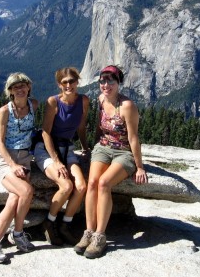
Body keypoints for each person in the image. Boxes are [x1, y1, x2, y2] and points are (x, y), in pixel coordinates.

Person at [74, 65, 148, 259]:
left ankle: (100, 236)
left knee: (104, 183)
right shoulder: (100, 100)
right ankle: (88, 232)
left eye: (110, 81)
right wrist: (92, 148)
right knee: (91, 183)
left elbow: (133, 138)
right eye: (102, 81)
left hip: (124, 152)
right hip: (103, 148)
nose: (106, 85)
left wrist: (139, 167)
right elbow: (100, 127)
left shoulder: (127, 106)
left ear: (118, 83)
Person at [0, 72, 39, 263]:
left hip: (24, 157)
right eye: (16, 86)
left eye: (23, 85)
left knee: (15, 197)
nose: (20, 89)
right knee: (25, 191)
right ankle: (16, 233)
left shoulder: (34, 105)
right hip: (4, 158)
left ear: (29, 87)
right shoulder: (5, 111)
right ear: (10, 91)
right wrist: (12, 165)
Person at [33, 67, 90, 246]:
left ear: (77, 81)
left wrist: (86, 148)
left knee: (81, 187)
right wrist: (56, 162)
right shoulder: (53, 102)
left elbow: (81, 127)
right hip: (46, 149)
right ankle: (49, 223)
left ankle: (66, 224)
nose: (68, 85)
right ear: (59, 84)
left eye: (72, 81)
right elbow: (45, 133)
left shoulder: (84, 101)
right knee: (66, 186)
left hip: (68, 147)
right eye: (64, 82)